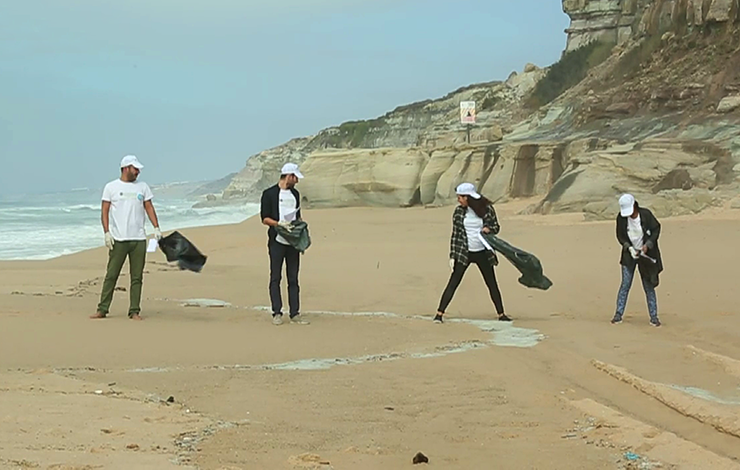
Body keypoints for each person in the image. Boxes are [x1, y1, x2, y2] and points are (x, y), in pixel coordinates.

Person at [91, 155, 161, 320]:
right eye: (135, 168)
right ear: (125, 168)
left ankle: (134, 310)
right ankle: (102, 309)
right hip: (119, 239)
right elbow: (105, 211)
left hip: (138, 239)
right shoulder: (111, 187)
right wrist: (106, 232)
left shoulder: (142, 187)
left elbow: (149, 207)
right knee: (111, 275)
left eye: (138, 169)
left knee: (137, 277)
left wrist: (156, 227)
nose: (137, 172)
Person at [434, 182, 511, 324]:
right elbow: (455, 234)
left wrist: (488, 229)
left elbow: (496, 227)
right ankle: (439, 314)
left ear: (468, 197)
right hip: (464, 253)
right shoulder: (458, 212)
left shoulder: (486, 209)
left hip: (483, 252)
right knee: (453, 282)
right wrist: (452, 255)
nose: (458, 200)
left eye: (461, 197)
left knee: (491, 283)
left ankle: (501, 314)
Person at [260, 163, 309, 326]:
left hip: (292, 242)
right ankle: (277, 312)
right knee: (276, 277)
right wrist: (279, 224)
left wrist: (300, 231)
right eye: (295, 178)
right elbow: (264, 218)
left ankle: (294, 313)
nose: (297, 181)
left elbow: (298, 216)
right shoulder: (269, 194)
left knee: (293, 278)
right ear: (288, 176)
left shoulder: (295, 193)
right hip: (277, 241)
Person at [611, 193, 663, 327]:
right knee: (625, 284)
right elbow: (620, 236)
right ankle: (618, 314)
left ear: (634, 206)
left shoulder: (646, 215)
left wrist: (647, 246)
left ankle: (654, 317)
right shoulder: (621, 219)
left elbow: (656, 229)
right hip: (630, 256)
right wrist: (629, 248)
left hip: (646, 256)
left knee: (648, 286)